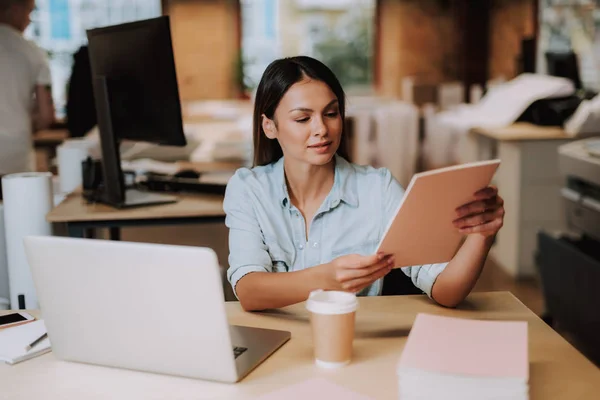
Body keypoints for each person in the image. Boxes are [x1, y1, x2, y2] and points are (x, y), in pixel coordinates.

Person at [223, 56, 505, 312]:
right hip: (282, 347)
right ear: (269, 126)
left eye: (331, 114)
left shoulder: (378, 189)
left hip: (358, 349)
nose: (322, 129)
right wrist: (326, 278)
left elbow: (446, 290)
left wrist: (482, 236)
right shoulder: (248, 189)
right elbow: (248, 291)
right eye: (303, 118)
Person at [0, 0, 54, 198]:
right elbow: (46, 115)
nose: (29, 20)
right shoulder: (33, 52)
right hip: (16, 154)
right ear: (14, 8)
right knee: (17, 217)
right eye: (29, 12)